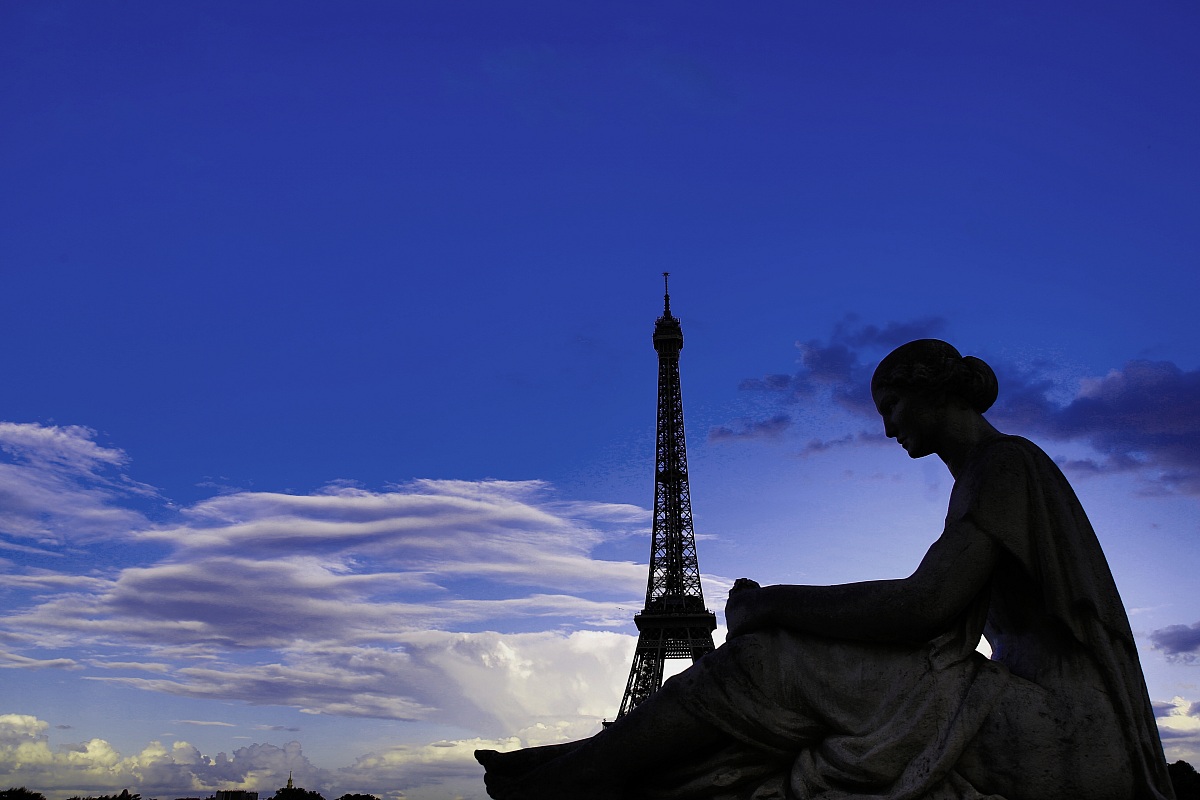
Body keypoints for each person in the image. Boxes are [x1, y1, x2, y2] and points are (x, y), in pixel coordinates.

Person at [477, 339, 1175, 800]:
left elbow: (924, 606)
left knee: (767, 663)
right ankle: (585, 764)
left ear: (934, 394)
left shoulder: (1005, 466)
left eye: (892, 407)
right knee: (771, 665)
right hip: (1032, 710)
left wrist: (775, 604)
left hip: (1062, 728)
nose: (885, 427)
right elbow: (921, 604)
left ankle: (572, 778)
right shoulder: (992, 474)